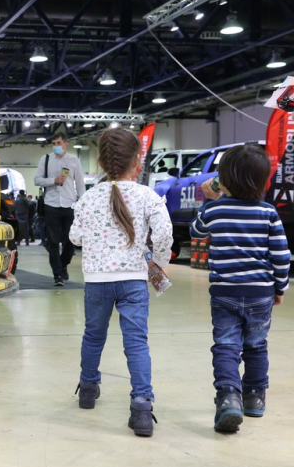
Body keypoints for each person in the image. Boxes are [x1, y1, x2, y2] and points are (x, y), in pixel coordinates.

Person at [68, 128, 172, 437]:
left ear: (100, 161)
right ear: (137, 161)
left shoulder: (88, 197)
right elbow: (164, 235)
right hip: (134, 282)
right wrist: (160, 264)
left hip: (98, 282)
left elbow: (74, 237)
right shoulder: (146, 196)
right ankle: (141, 406)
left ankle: (87, 390)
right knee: (136, 342)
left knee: (93, 336)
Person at [191, 144, 290, 433]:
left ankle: (228, 397)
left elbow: (197, 231)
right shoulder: (268, 213)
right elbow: (281, 256)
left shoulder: (216, 210)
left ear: (224, 179)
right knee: (256, 346)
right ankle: (255, 397)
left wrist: (209, 200)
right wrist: (279, 287)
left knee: (226, 346)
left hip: (225, 293)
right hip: (260, 293)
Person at [34, 131, 86, 286]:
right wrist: (53, 180)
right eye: (54, 144)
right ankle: (57, 275)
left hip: (69, 205)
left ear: (66, 143)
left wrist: (82, 203)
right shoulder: (46, 159)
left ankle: (63, 264)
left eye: (59, 143)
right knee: (53, 242)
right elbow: (37, 180)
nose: (56, 146)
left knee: (71, 241)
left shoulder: (74, 160)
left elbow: (80, 183)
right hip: (51, 205)